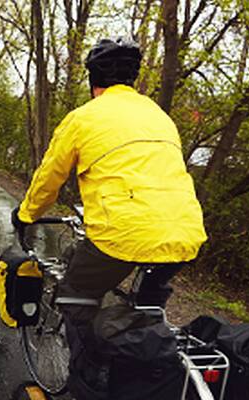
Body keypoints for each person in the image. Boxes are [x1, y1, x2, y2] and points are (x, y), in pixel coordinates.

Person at [11, 36, 207, 325]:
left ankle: (84, 371)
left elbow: (49, 179)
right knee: (148, 311)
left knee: (76, 294)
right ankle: (150, 348)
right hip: (186, 233)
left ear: (93, 81)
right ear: (132, 80)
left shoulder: (83, 118)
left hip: (121, 233)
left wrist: (26, 215)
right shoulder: (160, 117)